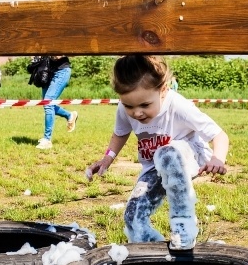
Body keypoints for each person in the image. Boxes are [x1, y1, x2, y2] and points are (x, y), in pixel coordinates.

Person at [86, 55, 229, 250]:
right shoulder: (123, 108)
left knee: (167, 155)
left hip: (186, 157)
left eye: (145, 105)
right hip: (154, 167)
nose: (137, 113)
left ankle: (184, 226)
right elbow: (120, 133)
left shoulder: (178, 105)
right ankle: (152, 253)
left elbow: (219, 134)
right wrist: (107, 159)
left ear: (163, 90)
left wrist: (218, 158)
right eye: (129, 106)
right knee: (133, 218)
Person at [35, 0, 78, 150]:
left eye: (55, 4)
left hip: (61, 70)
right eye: (49, 3)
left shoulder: (65, 24)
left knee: (48, 102)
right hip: (47, 71)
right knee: (48, 103)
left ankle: (47, 139)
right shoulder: (46, 24)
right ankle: (69, 115)